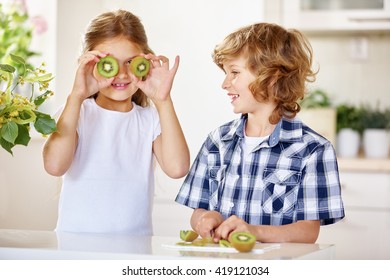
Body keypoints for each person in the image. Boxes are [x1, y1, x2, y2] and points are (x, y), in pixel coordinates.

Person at [175, 22, 344, 244]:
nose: (224, 84)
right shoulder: (217, 142)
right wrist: (206, 218)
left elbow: (307, 232)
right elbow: (198, 211)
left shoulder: (312, 150)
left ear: (271, 76)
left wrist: (253, 232)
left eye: (234, 72)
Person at [43, 10, 190, 234]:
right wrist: (76, 95)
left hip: (134, 247)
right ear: (89, 63)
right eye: (109, 63)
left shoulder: (149, 118)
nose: (121, 74)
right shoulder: (76, 112)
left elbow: (177, 168)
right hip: (74, 245)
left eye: (131, 62)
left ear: (145, 61)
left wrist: (163, 100)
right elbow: (54, 166)